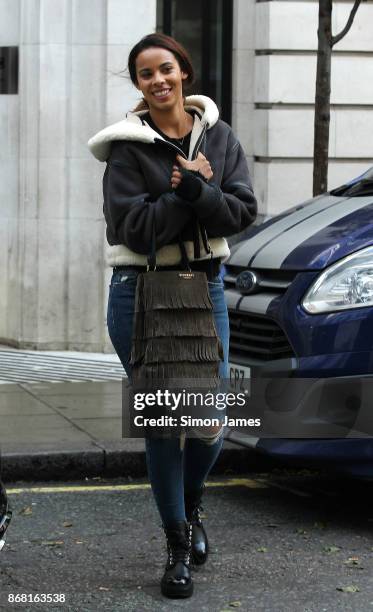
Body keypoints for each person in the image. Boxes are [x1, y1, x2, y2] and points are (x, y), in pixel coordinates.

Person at [88, 32, 257, 599]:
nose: (157, 80)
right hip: (140, 294)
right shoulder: (127, 148)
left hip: (206, 289)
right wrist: (193, 192)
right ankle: (176, 544)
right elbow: (130, 228)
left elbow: (240, 214)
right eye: (144, 74)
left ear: (183, 71)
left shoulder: (221, 137)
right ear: (138, 84)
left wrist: (196, 190)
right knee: (165, 426)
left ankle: (191, 505)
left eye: (166, 69)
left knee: (211, 425)